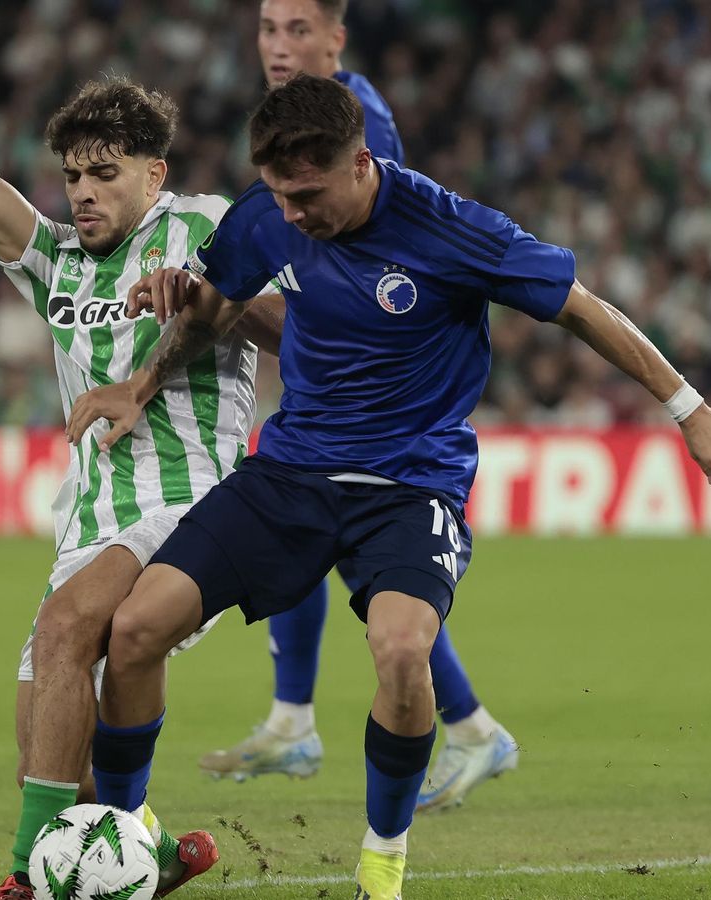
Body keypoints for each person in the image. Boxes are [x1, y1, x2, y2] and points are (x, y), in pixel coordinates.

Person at [67, 74, 711, 898]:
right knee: (136, 628)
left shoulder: (451, 228)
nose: (293, 215)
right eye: (280, 195)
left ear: (361, 163)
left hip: (410, 484)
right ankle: (124, 847)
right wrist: (140, 386)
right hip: (290, 472)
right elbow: (215, 306)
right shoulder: (266, 214)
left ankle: (383, 862)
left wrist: (688, 406)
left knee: (399, 650)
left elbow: (579, 309)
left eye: (308, 195)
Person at [0, 2, 272, 896]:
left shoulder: (205, 226)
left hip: (193, 496)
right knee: (50, 754)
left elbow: (288, 325)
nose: (83, 191)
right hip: (91, 518)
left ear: (155, 173)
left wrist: (202, 293)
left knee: (71, 627)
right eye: (73, 174)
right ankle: (152, 853)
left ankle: (21, 880)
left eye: (104, 174)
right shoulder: (59, 261)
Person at [196, 0, 520, 813]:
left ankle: (413, 724)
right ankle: (321, 719)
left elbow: (372, 265)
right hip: (333, 382)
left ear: (337, 38)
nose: (278, 46)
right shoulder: (294, 121)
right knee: (328, 536)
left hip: (380, 397)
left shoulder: (358, 119)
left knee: (338, 537)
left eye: (298, 30)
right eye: (268, 29)